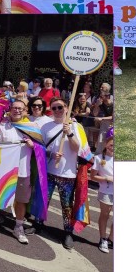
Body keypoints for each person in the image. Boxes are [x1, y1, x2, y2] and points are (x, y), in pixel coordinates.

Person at [39, 97, 89, 249]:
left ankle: (68, 232)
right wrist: (51, 155)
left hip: (67, 174)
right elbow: (41, 149)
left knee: (66, 205)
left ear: (66, 108)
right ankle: (38, 223)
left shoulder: (75, 126)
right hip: (49, 171)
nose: (57, 111)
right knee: (43, 200)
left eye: (60, 107)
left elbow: (77, 149)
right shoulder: (46, 127)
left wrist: (69, 134)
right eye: (54, 108)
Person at [0, 100, 37, 243]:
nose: (17, 111)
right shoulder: (2, 126)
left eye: (20, 108)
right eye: (14, 108)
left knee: (21, 200)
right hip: (4, 169)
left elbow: (41, 148)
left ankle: (18, 227)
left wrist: (34, 146)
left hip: (23, 170)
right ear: (10, 110)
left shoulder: (31, 127)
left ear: (25, 110)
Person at [90, 129, 114, 254]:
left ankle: (111, 238)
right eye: (111, 145)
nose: (113, 148)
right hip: (106, 191)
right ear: (106, 143)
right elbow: (92, 177)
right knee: (106, 214)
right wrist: (106, 178)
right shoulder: (99, 158)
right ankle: (103, 238)